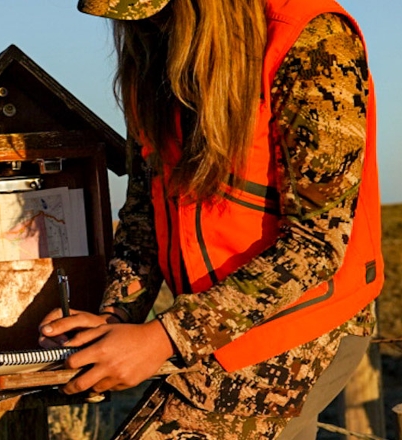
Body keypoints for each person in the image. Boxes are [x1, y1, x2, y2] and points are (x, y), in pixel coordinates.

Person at [39, 0, 384, 438]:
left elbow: (316, 245)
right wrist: (115, 317)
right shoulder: (150, 55)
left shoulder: (312, 39)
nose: (145, 24)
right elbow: (146, 211)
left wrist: (165, 338)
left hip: (304, 316)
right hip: (210, 320)